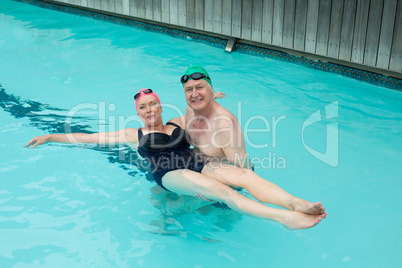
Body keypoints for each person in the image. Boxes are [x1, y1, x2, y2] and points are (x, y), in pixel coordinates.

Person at [25, 88, 326, 229]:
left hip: (196, 163)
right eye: (143, 107)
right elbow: (90, 138)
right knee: (223, 191)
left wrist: (211, 97)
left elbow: (199, 107)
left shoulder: (178, 122)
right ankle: (284, 218)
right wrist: (52, 136)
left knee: (245, 176)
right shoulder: (135, 133)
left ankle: (295, 203)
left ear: (159, 105)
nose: (149, 110)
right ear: (138, 113)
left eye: (153, 104)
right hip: (169, 174)